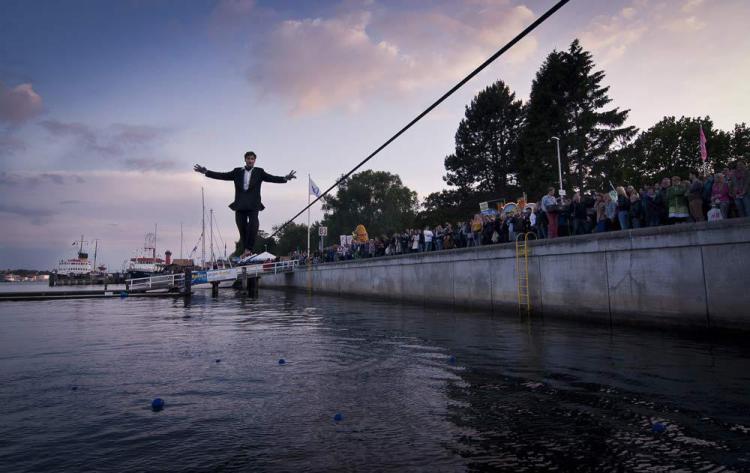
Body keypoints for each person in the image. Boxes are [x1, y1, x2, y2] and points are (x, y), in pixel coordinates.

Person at [194, 151, 296, 258]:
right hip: (240, 204)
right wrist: (206, 172)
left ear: (254, 161)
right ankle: (246, 249)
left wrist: (285, 178)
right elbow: (222, 176)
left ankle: (248, 250)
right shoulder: (237, 171)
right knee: (241, 227)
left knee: (253, 224)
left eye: (252, 159)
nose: (250, 160)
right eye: (248, 158)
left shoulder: (259, 172)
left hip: (253, 204)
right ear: (245, 160)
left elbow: (272, 178)